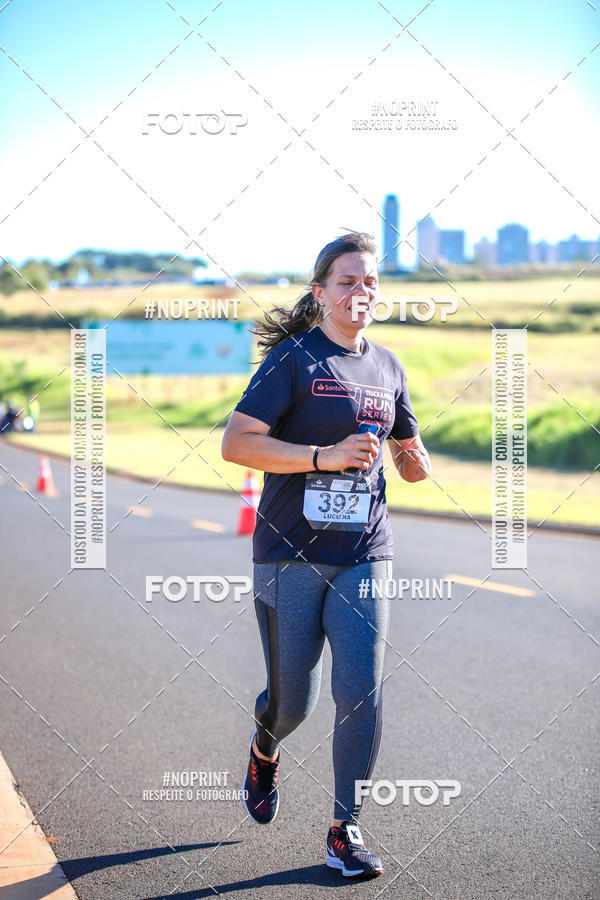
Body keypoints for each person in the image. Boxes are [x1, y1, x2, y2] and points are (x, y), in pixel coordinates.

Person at [221, 230, 431, 879]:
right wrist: (323, 457)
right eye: (347, 281)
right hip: (288, 555)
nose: (360, 291)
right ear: (320, 293)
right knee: (293, 704)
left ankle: (346, 828)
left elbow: (410, 459)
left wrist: (413, 458)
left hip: (366, 550)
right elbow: (236, 444)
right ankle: (264, 748)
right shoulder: (294, 362)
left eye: (369, 281)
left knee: (360, 690)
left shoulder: (389, 369)